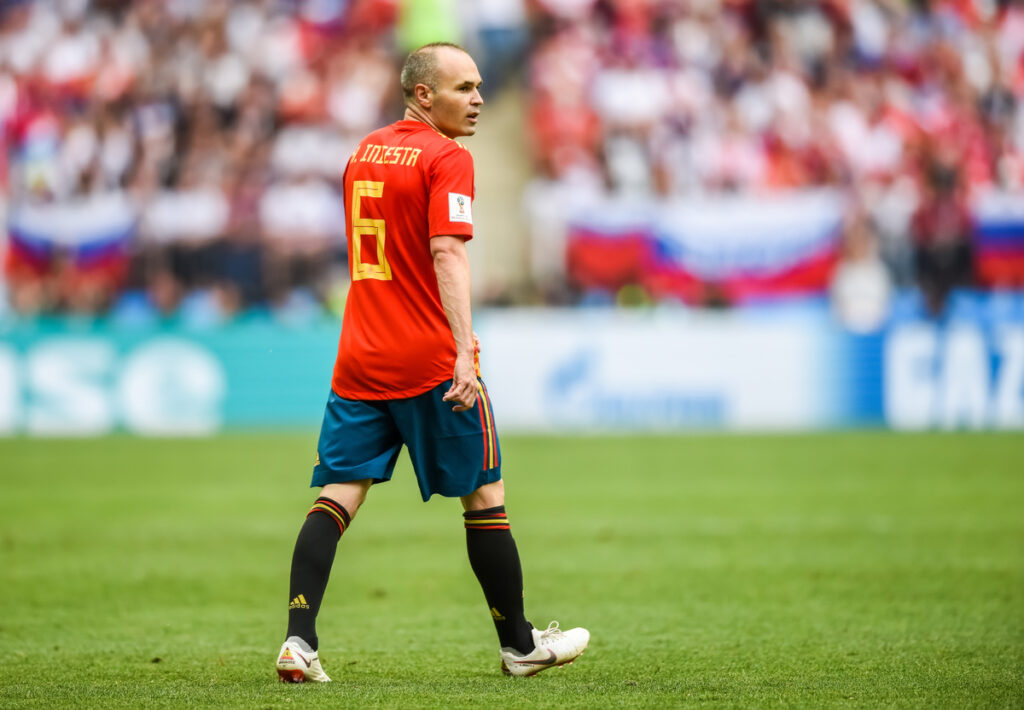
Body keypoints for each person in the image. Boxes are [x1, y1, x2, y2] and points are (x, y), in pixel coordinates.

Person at [274, 42, 589, 683]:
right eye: (464, 88)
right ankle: (520, 645)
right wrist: (465, 353)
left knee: (338, 494)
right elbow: (447, 253)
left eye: (478, 87)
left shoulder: (364, 151)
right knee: (485, 495)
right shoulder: (446, 157)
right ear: (424, 95)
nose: (478, 99)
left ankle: (298, 642)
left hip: (360, 354)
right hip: (427, 357)